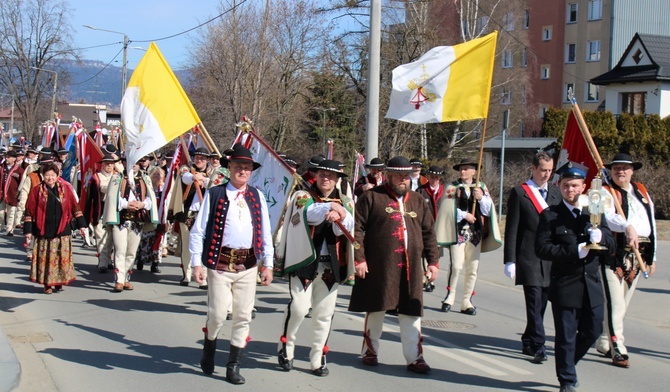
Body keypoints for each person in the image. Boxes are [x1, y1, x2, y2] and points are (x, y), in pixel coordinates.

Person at [190, 143, 274, 385]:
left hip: (248, 265)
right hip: (219, 264)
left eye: (247, 168)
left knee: (243, 316)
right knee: (217, 314)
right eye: (238, 166)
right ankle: (209, 346)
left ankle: (233, 364)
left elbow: (265, 232)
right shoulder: (215, 194)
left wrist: (267, 264)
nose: (243, 171)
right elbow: (198, 231)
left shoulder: (257, 195)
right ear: (229, 168)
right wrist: (197, 263)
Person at [349, 156, 440, 374]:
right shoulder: (371, 197)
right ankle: (370, 350)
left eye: (406, 176)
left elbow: (429, 233)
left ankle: (415, 357)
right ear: (388, 175)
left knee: (411, 311)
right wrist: (359, 258)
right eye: (398, 175)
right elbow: (357, 231)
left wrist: (433, 261)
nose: (403, 179)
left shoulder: (418, 200)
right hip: (380, 264)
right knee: (377, 306)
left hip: (411, 267)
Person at [535, 163, 616, 392]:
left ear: (583, 187)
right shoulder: (550, 215)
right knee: (566, 337)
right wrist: (573, 251)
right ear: (559, 186)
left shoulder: (594, 212)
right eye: (566, 186)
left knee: (593, 331)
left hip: (592, 285)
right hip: (565, 285)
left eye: (575, 185)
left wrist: (600, 238)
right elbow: (542, 249)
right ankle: (567, 380)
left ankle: (568, 363)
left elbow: (611, 246)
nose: (571, 190)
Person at [275, 159, 355, 376]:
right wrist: (330, 207)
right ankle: (286, 347)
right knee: (300, 307)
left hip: (331, 266)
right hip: (304, 263)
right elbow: (308, 215)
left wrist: (341, 214)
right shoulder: (302, 196)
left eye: (330, 175)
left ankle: (318, 357)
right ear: (316, 175)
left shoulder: (346, 201)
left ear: (338, 179)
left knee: (324, 313)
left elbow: (345, 230)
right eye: (322, 174)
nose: (326, 178)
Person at [596, 153, 657, 368]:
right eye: (616, 168)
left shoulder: (641, 191)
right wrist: (626, 226)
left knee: (623, 304)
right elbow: (608, 217)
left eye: (625, 168)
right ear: (611, 171)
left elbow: (651, 222)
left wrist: (653, 255)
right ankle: (618, 347)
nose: (620, 171)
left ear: (632, 171)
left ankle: (604, 340)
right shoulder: (606, 191)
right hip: (614, 253)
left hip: (638, 253)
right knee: (616, 303)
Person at [503, 151, 561, 364]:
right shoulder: (520, 193)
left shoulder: (556, 192)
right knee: (534, 303)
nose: (547, 174)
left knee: (542, 304)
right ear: (533, 168)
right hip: (529, 257)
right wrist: (510, 259)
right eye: (543, 170)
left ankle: (528, 338)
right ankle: (538, 345)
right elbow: (512, 228)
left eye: (550, 170)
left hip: (551, 258)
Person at [435, 159, 501, 315]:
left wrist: (482, 197)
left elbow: (487, 210)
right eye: (461, 169)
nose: (462, 172)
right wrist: (465, 215)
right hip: (458, 231)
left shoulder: (481, 187)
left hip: (475, 233)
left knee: (472, 268)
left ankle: (466, 301)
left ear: (474, 172)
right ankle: (450, 296)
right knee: (457, 266)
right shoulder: (452, 187)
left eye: (466, 169)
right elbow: (447, 209)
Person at [24, 163, 87, 294]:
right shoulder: (36, 191)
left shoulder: (66, 189)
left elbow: (75, 208)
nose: (50, 178)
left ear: (57, 175)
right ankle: (47, 284)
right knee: (46, 259)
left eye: (52, 175)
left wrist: (82, 226)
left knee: (60, 257)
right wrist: (28, 231)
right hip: (43, 230)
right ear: (43, 176)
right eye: (47, 175)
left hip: (63, 229)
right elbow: (29, 212)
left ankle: (59, 281)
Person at [103, 160, 158, 292]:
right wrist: (126, 204)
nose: (133, 165)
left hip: (137, 220)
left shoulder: (145, 178)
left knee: (131, 252)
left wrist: (142, 205)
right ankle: (119, 280)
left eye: (136, 162)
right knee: (120, 250)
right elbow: (112, 198)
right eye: (130, 162)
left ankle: (127, 277)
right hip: (121, 219)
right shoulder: (117, 178)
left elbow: (151, 198)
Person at [172, 147, 212, 287]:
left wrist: (204, 181)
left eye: (202, 158)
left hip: (205, 215)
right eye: (197, 158)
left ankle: (203, 277)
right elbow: (184, 177)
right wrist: (194, 177)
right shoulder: (187, 169)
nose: (199, 160)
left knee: (204, 246)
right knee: (188, 245)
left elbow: (216, 183)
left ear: (207, 160)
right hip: (188, 214)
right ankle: (186, 275)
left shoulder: (212, 173)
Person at [84, 153, 119, 273]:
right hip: (100, 210)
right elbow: (92, 196)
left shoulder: (118, 176)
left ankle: (108, 260)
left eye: (111, 163)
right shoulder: (96, 178)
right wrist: (86, 216)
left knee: (111, 238)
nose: (109, 165)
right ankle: (103, 262)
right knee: (101, 238)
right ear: (102, 165)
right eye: (107, 163)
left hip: (114, 211)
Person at [417, 165, 445, 292]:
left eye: (437, 177)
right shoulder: (421, 191)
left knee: (435, 254)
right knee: (423, 254)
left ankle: (431, 277)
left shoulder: (445, 192)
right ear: (427, 177)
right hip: (424, 228)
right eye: (432, 177)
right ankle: (425, 278)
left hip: (439, 228)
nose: (435, 180)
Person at [135, 168, 166, 273]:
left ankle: (155, 264)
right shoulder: (148, 187)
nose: (157, 176)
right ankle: (140, 260)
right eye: (155, 174)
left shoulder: (165, 188)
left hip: (161, 218)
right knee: (145, 240)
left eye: (159, 174)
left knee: (158, 241)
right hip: (149, 218)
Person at [1, 150, 25, 236]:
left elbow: (22, 183)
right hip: (1, 193)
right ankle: (1, 226)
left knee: (11, 213)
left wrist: (19, 194)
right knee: (0, 213)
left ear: (14, 159)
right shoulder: (1, 167)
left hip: (12, 194)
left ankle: (9, 230)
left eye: (8, 157)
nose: (6, 158)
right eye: (6, 157)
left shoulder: (19, 170)